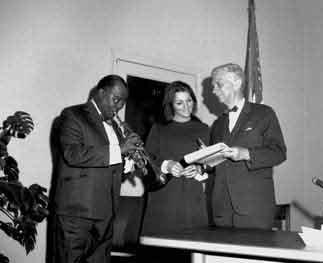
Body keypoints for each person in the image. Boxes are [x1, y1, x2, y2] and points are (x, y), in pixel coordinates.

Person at [53, 75, 141, 263]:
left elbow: (111, 167)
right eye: (115, 100)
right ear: (100, 93)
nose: (118, 107)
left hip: (106, 214)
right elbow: (72, 154)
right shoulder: (73, 115)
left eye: (122, 103)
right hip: (77, 214)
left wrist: (129, 160)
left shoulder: (116, 127)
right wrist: (120, 149)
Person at [210, 63, 286, 229]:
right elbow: (216, 165)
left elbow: (279, 153)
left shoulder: (264, 114)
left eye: (218, 84)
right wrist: (201, 166)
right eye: (213, 86)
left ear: (237, 83)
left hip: (254, 208)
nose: (214, 90)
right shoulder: (217, 124)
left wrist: (246, 154)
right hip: (222, 209)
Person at [142, 81, 210, 234]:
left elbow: (212, 167)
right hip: (164, 197)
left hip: (192, 198)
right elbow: (146, 161)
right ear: (170, 105)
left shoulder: (204, 129)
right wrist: (167, 165)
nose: (186, 106)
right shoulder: (159, 129)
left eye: (189, 100)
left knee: (193, 251)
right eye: (179, 103)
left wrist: (199, 170)